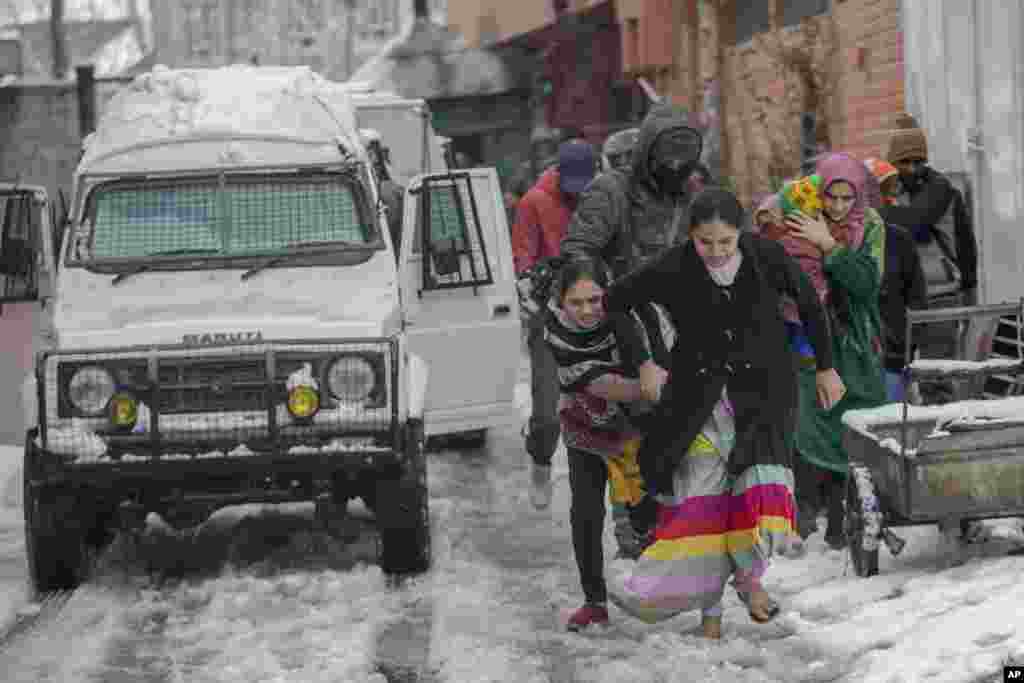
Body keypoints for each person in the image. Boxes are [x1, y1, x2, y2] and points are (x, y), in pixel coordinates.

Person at [604, 188, 844, 636]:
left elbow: (809, 303)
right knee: (705, 502)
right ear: (691, 236)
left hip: (766, 394)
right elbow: (615, 301)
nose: (715, 253)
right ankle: (709, 615)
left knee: (756, 495)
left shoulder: (764, 255)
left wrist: (827, 368)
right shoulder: (674, 266)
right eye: (704, 242)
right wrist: (644, 361)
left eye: (725, 243)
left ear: (741, 235)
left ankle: (750, 584)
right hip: (699, 400)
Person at [543, 256, 673, 631]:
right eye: (576, 302)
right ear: (561, 301)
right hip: (586, 427)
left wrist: (654, 375)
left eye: (595, 300)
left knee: (647, 510)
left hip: (638, 429)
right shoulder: (556, 333)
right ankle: (594, 601)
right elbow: (601, 384)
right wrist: (648, 384)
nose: (586, 311)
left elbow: (661, 354)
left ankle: (663, 589)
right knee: (585, 514)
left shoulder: (635, 316)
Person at [781, 153, 888, 548]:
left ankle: (849, 516)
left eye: (847, 199)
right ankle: (810, 515)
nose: (839, 207)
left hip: (856, 340)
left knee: (858, 420)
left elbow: (865, 285)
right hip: (810, 338)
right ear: (819, 192)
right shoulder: (802, 212)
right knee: (813, 421)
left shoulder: (871, 226)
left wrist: (828, 246)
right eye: (832, 198)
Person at [512, 140, 598, 509]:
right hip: (549, 318)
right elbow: (522, 258)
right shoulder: (534, 202)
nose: (577, 192)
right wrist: (535, 281)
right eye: (572, 184)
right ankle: (541, 462)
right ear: (559, 173)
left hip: (594, 315)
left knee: (600, 407)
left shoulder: (601, 197)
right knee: (547, 411)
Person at [561, 103, 705, 278]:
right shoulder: (611, 191)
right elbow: (577, 253)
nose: (675, 165)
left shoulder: (698, 196)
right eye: (669, 154)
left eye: (684, 156)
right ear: (647, 150)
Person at [877, 114, 978, 306]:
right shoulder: (892, 187)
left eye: (919, 161)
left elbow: (914, 221)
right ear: (892, 162)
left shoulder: (939, 187)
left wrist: (871, 212)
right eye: (905, 162)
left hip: (943, 291)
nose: (913, 168)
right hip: (907, 291)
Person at [867, 158, 928, 403]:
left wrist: (909, 346)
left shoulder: (899, 239)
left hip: (894, 356)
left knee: (892, 428)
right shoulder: (839, 241)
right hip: (856, 361)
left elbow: (917, 298)